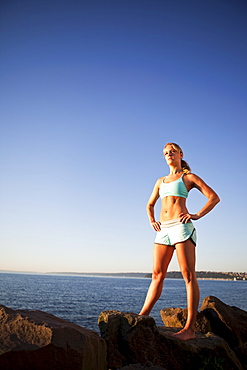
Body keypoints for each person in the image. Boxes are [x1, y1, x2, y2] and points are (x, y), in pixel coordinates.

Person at [139, 142, 220, 340]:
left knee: (188, 275)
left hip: (182, 227)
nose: (169, 154)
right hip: (163, 231)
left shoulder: (188, 177)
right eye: (166, 153)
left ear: (180, 154)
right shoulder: (160, 181)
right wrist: (152, 221)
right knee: (157, 274)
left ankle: (189, 329)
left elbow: (213, 197)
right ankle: (142, 317)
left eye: (172, 151)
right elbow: (149, 205)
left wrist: (197, 214)